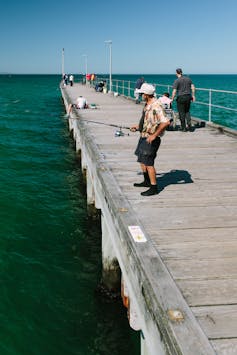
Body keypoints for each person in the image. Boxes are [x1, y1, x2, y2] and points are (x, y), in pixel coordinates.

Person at [130, 83, 170, 196]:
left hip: (151, 139)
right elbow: (148, 121)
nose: (141, 95)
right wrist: (138, 127)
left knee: (148, 163)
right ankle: (146, 181)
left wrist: (154, 135)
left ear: (147, 94)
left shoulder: (156, 106)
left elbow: (166, 122)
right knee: (141, 159)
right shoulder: (147, 104)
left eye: (142, 93)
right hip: (143, 136)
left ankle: (154, 187)